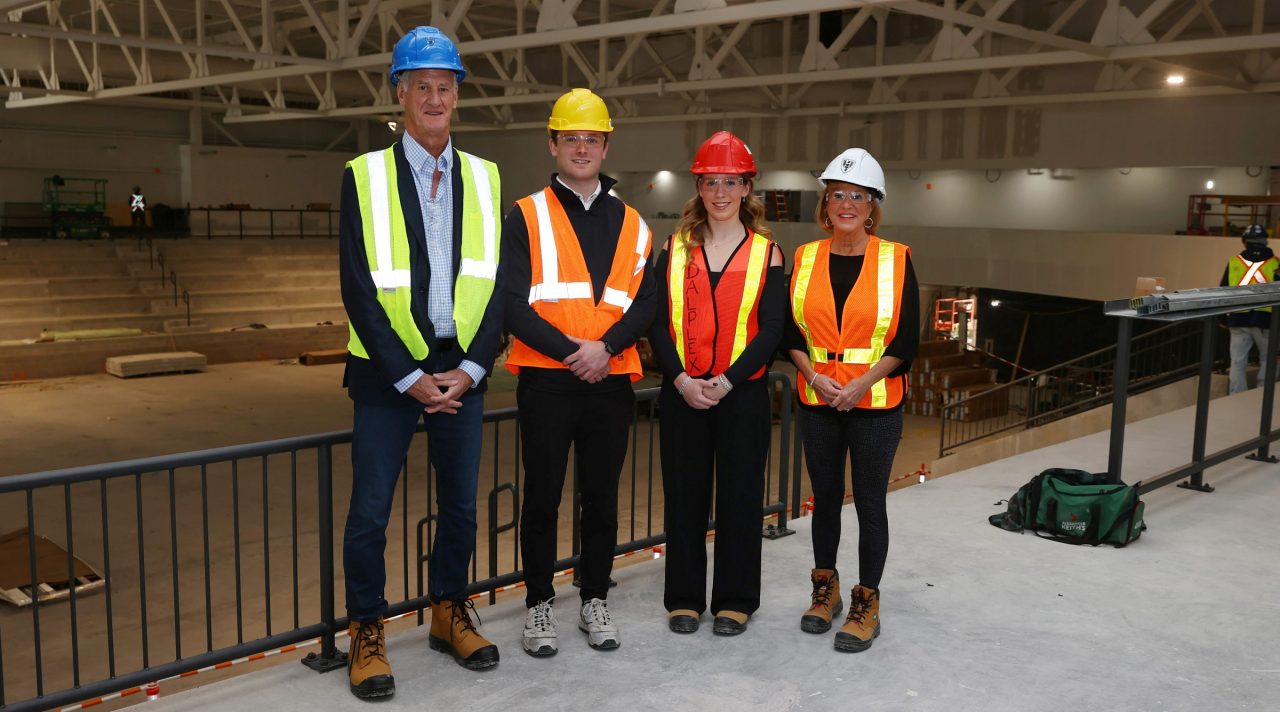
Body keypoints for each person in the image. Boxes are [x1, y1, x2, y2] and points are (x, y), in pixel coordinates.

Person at [338, 26, 504, 700]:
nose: (435, 97)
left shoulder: (487, 179)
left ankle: (448, 608)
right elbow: (358, 286)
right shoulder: (364, 175)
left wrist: (471, 368)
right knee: (370, 513)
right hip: (386, 375)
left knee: (461, 506)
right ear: (400, 94)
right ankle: (367, 631)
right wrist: (410, 376)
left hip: (461, 369)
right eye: (422, 86)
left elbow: (497, 286)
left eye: (446, 86)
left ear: (457, 97)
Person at [503, 88, 656, 656]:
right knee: (541, 499)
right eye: (572, 138)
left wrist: (606, 347)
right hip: (547, 382)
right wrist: (578, 351)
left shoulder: (635, 223)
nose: (583, 147)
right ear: (554, 143)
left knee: (601, 499)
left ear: (606, 145)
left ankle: (595, 598)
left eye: (593, 138)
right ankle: (539, 605)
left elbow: (645, 303)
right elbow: (512, 304)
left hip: (610, 381)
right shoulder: (526, 215)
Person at [647, 131, 784, 636]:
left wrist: (726, 381)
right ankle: (683, 598)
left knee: (740, 499)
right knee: (684, 497)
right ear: (698, 187)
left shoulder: (768, 253)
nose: (720, 192)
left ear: (747, 188)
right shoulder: (674, 248)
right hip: (683, 393)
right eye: (710, 182)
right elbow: (657, 322)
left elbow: (772, 331)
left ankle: (735, 599)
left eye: (731, 182)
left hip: (740, 395)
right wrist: (681, 379)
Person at [784, 147, 918, 653]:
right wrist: (815, 377)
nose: (845, 203)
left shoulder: (896, 258)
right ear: (826, 203)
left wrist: (860, 384)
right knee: (823, 503)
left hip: (875, 403)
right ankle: (825, 592)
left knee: (869, 503)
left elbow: (905, 340)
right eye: (837, 194)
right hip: (818, 399)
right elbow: (789, 330)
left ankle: (866, 604)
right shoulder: (805, 256)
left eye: (856, 196)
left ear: (871, 206)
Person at [1221, 223, 1276, 394]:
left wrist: (1222, 318)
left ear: (1245, 241)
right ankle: (1262, 395)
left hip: (1238, 319)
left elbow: (1222, 291)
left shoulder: (1234, 262)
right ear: (1265, 241)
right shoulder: (1276, 263)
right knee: (1268, 360)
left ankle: (1236, 396)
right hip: (1266, 321)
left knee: (1237, 362)